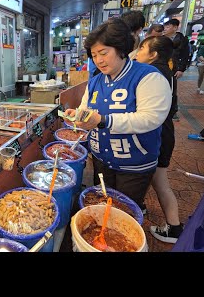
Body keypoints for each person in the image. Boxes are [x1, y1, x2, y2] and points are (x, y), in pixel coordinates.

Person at [64, 18, 171, 213]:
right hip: (101, 159)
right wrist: (77, 116)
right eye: (94, 55)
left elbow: (151, 118)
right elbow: (86, 111)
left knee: (123, 214)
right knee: (101, 208)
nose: (99, 60)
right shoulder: (95, 81)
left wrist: (103, 120)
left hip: (133, 163)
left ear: (121, 48)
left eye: (104, 53)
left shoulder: (148, 76)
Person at [135, 36, 183, 242]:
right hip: (164, 129)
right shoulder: (166, 71)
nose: (137, 53)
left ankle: (174, 227)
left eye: (142, 48)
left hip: (159, 133)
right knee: (150, 176)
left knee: (160, 181)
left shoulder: (153, 73)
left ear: (153, 55)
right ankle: (141, 205)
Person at [163, 18, 189, 121]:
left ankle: (173, 111)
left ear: (175, 27)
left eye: (168, 27)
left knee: (172, 90)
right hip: (162, 67)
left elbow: (185, 55)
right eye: (165, 26)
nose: (165, 29)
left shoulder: (182, 40)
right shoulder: (162, 38)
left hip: (174, 69)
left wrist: (181, 69)